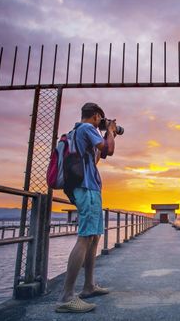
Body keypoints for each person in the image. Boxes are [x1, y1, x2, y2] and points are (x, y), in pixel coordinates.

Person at [56, 102, 116, 313]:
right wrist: (109, 131)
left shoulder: (77, 133)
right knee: (85, 237)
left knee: (94, 236)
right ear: (96, 116)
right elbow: (109, 149)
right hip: (86, 188)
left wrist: (109, 134)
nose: (102, 123)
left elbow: (98, 158)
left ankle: (89, 286)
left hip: (89, 187)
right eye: (102, 119)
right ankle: (66, 297)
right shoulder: (87, 128)